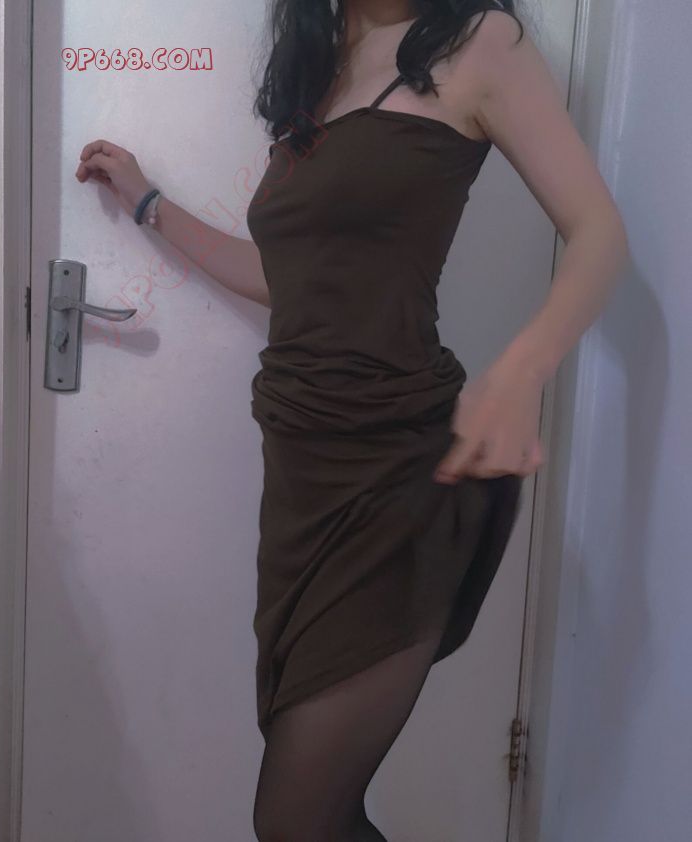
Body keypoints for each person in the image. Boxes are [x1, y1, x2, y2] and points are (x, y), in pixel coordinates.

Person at [75, 1, 630, 838]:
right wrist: (151, 201)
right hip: (301, 474)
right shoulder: (323, 65)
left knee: (295, 819)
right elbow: (286, 276)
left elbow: (598, 233)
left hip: (398, 473)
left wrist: (519, 376)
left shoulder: (479, 43)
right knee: (316, 813)